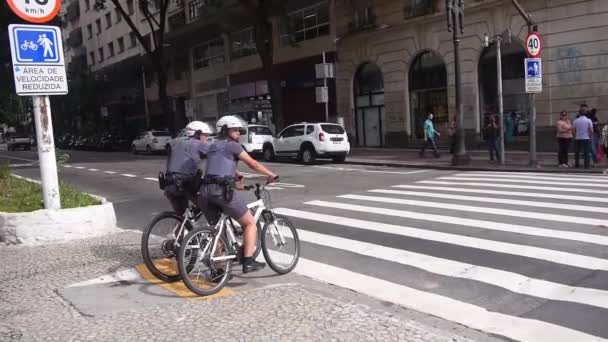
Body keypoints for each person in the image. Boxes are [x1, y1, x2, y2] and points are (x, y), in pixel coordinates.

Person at [198, 115, 278, 274]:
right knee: (249, 223)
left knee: (217, 231)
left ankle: (218, 271)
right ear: (225, 130)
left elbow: (218, 166)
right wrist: (271, 174)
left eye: (239, 130)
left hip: (204, 192)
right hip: (221, 191)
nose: (238, 134)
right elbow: (252, 163)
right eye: (235, 130)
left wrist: (234, 174)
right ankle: (248, 262)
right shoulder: (233, 146)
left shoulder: (213, 145)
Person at [163, 121, 213, 216]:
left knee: (182, 217)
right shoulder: (199, 144)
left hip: (169, 184)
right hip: (184, 185)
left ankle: (178, 230)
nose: (207, 138)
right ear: (198, 134)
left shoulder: (176, 143)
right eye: (205, 135)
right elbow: (219, 155)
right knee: (211, 206)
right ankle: (212, 231)